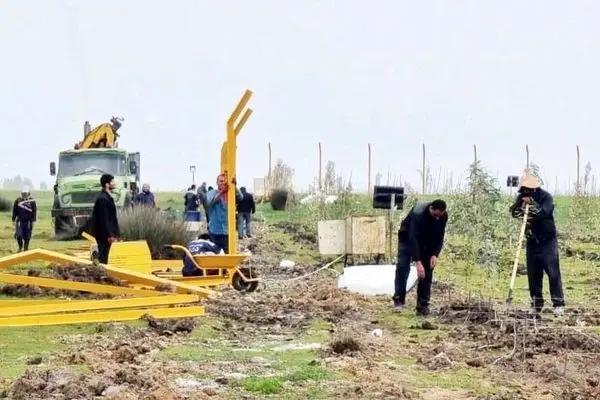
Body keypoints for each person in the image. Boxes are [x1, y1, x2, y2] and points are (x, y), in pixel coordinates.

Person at [510, 170, 564, 317]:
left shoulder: (546, 197)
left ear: (534, 189)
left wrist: (532, 204)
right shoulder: (522, 197)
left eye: (528, 190)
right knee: (533, 274)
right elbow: (513, 212)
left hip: (548, 240)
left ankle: (558, 304)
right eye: (523, 190)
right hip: (532, 240)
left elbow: (544, 213)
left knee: (552, 272)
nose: (525, 193)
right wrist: (520, 207)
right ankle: (536, 304)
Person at [393, 199, 448, 315]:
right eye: (435, 215)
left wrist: (435, 254)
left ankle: (422, 306)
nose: (437, 218)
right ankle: (399, 299)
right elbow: (413, 238)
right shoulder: (418, 214)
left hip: (426, 241)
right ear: (431, 208)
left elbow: (440, 236)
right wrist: (418, 262)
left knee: (427, 270)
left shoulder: (443, 216)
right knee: (403, 267)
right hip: (407, 238)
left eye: (440, 216)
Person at [206, 173, 243, 253]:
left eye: (225, 181)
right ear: (217, 182)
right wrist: (221, 192)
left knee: (227, 253)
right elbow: (210, 202)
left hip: (227, 231)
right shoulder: (212, 193)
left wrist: (234, 186)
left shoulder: (230, 194)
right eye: (221, 181)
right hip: (215, 230)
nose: (223, 183)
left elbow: (240, 197)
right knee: (215, 254)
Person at [91, 174, 120, 264]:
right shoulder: (102, 199)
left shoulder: (107, 197)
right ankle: (101, 274)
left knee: (108, 257)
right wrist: (109, 235)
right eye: (112, 181)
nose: (114, 183)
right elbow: (104, 219)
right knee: (104, 257)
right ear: (107, 184)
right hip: (104, 235)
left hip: (108, 233)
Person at [12, 186, 37, 252]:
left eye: (25, 193)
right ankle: (20, 247)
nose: (24, 195)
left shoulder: (32, 201)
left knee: (27, 236)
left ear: (28, 193)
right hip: (20, 221)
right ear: (21, 193)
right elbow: (14, 211)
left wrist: (34, 220)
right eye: (23, 193)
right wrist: (13, 220)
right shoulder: (17, 201)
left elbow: (34, 211)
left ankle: (26, 249)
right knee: (18, 235)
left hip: (29, 222)